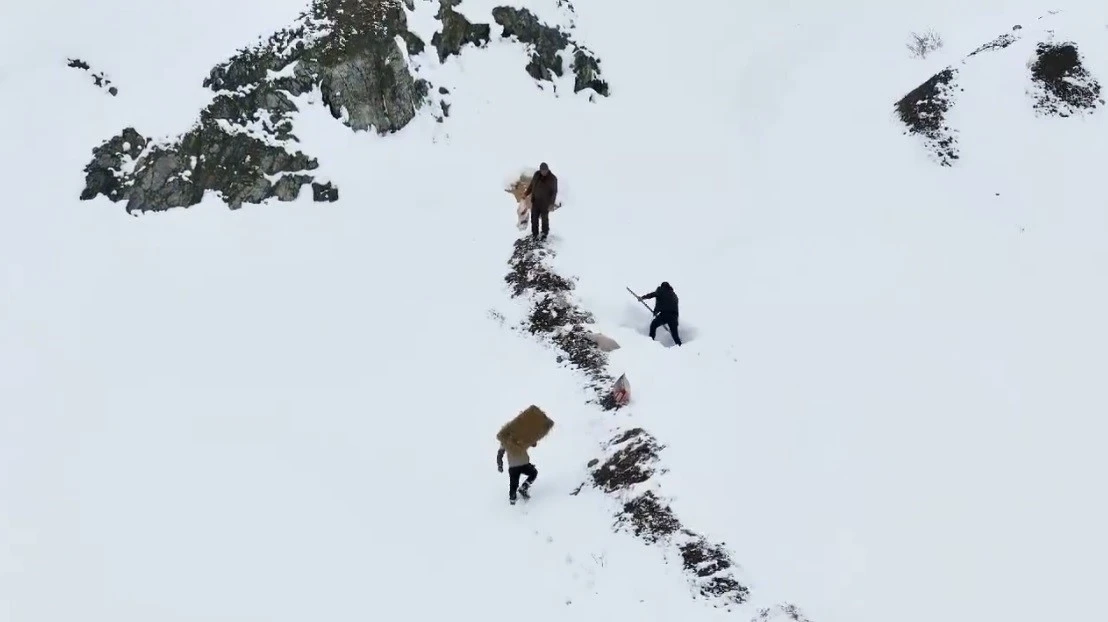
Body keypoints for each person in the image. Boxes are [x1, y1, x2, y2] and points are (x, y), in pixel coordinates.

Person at [523, 162, 558, 241]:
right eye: (542, 171)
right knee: (534, 219)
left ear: (548, 170)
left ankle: (544, 234)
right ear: (540, 170)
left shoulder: (553, 178)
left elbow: (554, 192)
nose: (543, 172)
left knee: (544, 219)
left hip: (545, 203)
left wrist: (551, 204)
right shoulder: (536, 175)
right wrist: (526, 194)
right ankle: (535, 234)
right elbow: (532, 186)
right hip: (535, 201)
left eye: (545, 171)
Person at [639, 282, 682, 346]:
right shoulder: (674, 295)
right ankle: (681, 346)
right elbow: (666, 303)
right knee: (675, 335)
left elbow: (653, 295)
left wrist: (642, 297)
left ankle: (650, 341)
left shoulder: (661, 290)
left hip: (665, 315)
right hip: (674, 317)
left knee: (653, 325)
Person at [497, 439, 538, 504]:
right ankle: (523, 488)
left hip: (514, 466)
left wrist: (500, 465)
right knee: (533, 473)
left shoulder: (506, 439)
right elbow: (533, 444)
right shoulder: (520, 435)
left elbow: (500, 454)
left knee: (514, 484)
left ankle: (513, 499)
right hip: (522, 464)